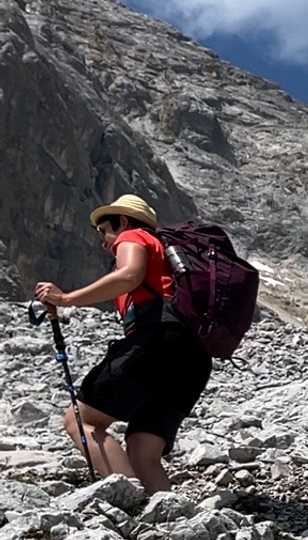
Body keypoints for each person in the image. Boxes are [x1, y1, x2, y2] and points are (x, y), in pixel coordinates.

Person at [31, 194, 211, 493]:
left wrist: (65, 299)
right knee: (143, 449)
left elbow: (129, 275)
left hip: (156, 344)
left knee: (79, 420)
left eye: (104, 230)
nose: (104, 241)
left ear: (123, 221)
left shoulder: (132, 236)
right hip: (192, 358)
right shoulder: (166, 258)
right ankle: (168, 519)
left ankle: (132, 499)